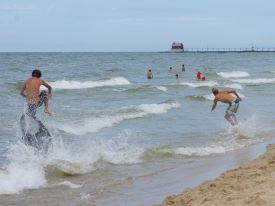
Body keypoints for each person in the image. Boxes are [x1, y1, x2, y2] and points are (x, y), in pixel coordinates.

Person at [19, 69, 52, 151]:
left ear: (32, 75)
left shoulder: (27, 80)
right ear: (39, 75)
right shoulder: (40, 80)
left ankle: (29, 132)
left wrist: (26, 97)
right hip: (36, 102)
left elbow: (21, 92)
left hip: (28, 103)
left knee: (30, 114)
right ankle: (46, 109)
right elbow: (49, 87)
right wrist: (50, 93)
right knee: (44, 92)